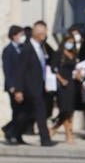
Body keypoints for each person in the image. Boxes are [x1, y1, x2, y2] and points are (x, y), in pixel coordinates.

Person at [9, 19, 55, 147]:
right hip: (30, 88)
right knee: (41, 112)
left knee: (25, 113)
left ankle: (12, 132)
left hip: (39, 87)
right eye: (44, 33)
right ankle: (45, 139)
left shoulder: (41, 48)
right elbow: (20, 70)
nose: (45, 35)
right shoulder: (27, 49)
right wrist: (18, 90)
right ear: (39, 34)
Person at [50, 33, 81, 144]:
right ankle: (67, 132)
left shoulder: (74, 54)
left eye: (72, 43)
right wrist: (61, 79)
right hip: (62, 83)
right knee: (64, 109)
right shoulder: (59, 54)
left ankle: (62, 130)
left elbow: (75, 68)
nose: (70, 45)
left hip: (72, 83)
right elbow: (54, 68)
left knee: (70, 110)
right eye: (69, 42)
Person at [2, 25, 27, 145]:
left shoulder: (23, 48)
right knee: (17, 112)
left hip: (23, 86)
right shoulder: (8, 50)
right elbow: (7, 69)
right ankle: (14, 134)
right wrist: (12, 86)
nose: (22, 37)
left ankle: (9, 130)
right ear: (14, 35)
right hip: (13, 87)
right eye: (20, 35)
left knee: (24, 112)